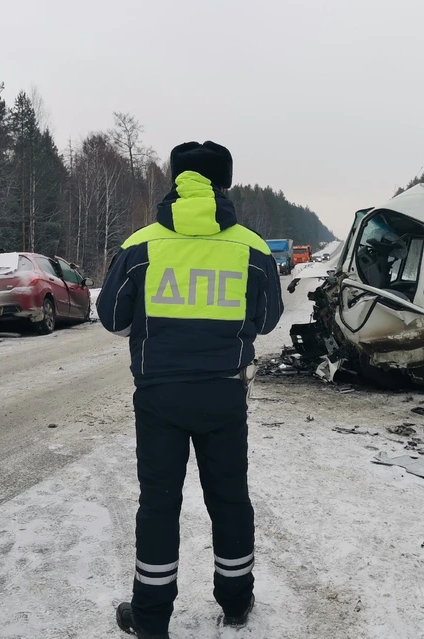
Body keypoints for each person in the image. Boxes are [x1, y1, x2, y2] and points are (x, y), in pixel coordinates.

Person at [97, 141, 284, 638]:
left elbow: (113, 318)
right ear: (225, 183)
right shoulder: (253, 247)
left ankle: (152, 618)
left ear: (175, 180)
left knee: (159, 504)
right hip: (224, 395)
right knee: (229, 499)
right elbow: (267, 321)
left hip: (159, 397)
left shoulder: (142, 244)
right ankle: (237, 601)